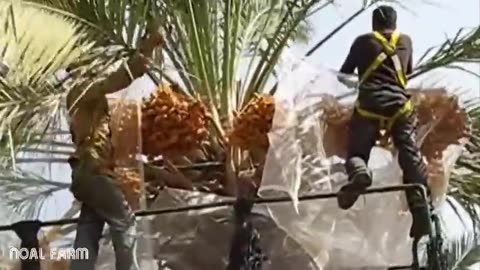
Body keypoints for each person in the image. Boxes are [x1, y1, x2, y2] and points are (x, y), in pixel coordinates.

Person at [66, 23, 163, 270]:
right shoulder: (81, 91)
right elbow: (115, 80)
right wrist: (146, 50)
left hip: (87, 175)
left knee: (87, 235)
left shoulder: (86, 104)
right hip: (93, 172)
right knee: (125, 223)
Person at [336, 5, 431, 239]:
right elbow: (406, 72)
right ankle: (420, 210)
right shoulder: (406, 41)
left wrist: (357, 83)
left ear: (373, 24)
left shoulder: (361, 42)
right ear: (394, 24)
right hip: (400, 108)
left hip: (369, 106)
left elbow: (343, 75)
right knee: (409, 156)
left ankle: (360, 173)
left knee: (357, 153)